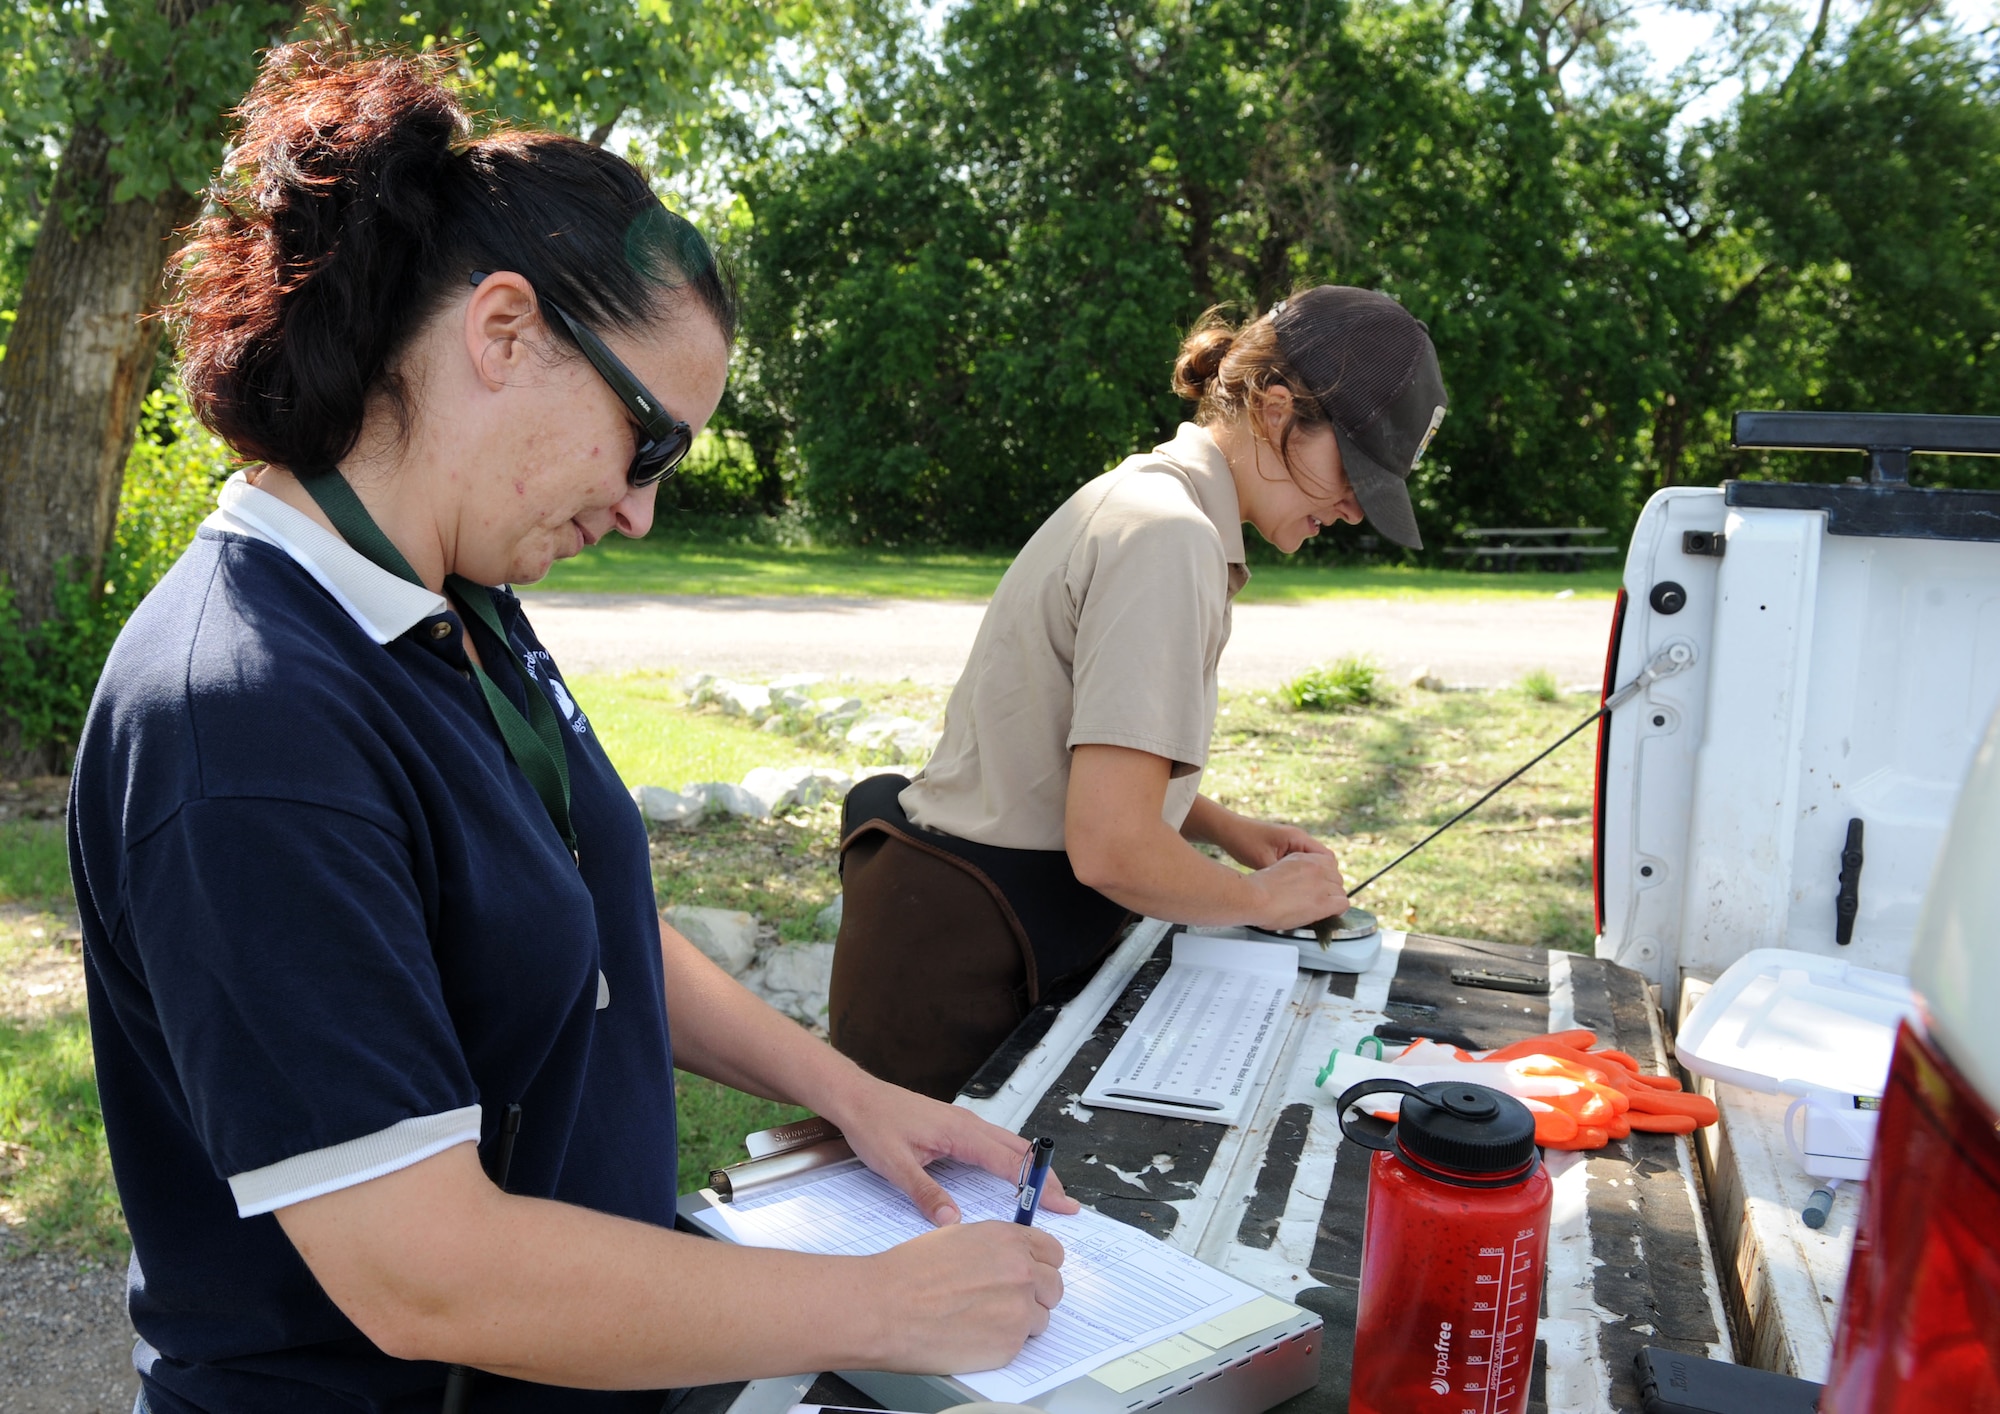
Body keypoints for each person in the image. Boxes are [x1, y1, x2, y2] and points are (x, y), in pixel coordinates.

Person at [70, 44, 1069, 1414]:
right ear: (502, 333)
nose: (643, 507)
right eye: (647, 437)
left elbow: (583, 908)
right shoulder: (243, 720)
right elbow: (424, 1272)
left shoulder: (452, 596)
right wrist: (880, 1306)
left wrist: (849, 1090)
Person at [830, 288, 1448, 1099]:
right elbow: (1113, 843)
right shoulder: (1170, 537)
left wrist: (1228, 830)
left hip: (968, 933)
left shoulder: (1155, 504)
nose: (1357, 507)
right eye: (1355, 471)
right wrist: (1257, 900)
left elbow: (1089, 750)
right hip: (966, 969)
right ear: (1274, 410)